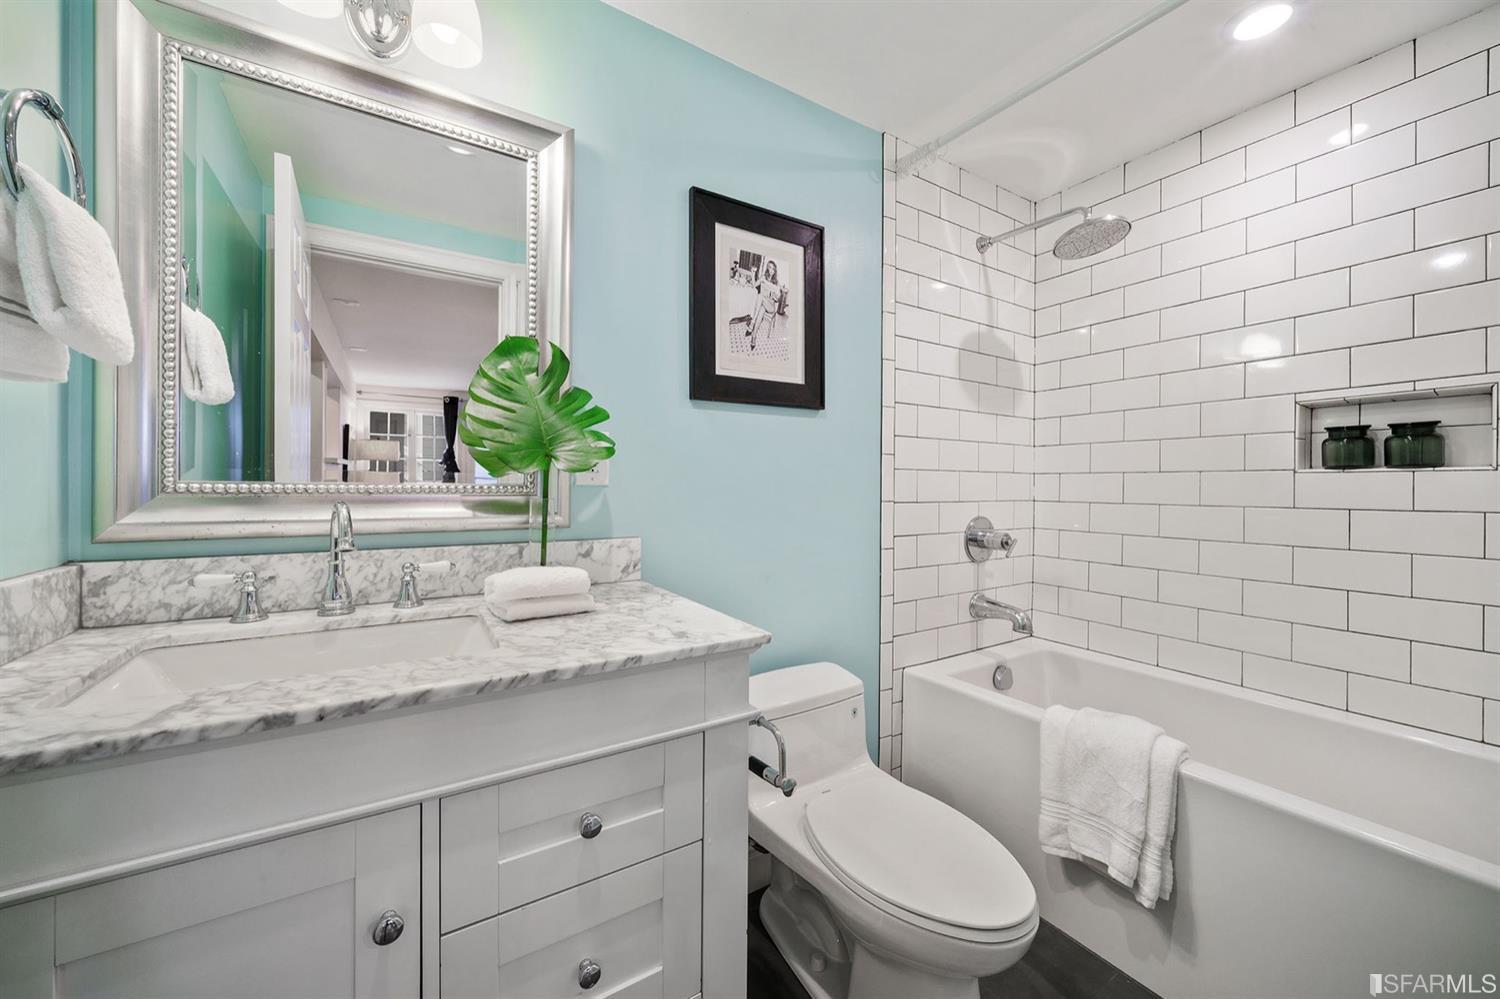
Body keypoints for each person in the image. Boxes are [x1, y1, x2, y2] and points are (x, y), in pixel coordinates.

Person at [746, 259, 780, 351]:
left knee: (760, 296)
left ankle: (752, 322)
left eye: (773, 269)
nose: (771, 270)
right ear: (767, 268)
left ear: (775, 270)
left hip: (771, 306)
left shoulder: (776, 282)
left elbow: (777, 298)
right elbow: (754, 285)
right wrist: (752, 274)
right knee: (761, 310)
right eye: (770, 268)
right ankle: (753, 336)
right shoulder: (763, 277)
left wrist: (774, 296)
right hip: (763, 304)